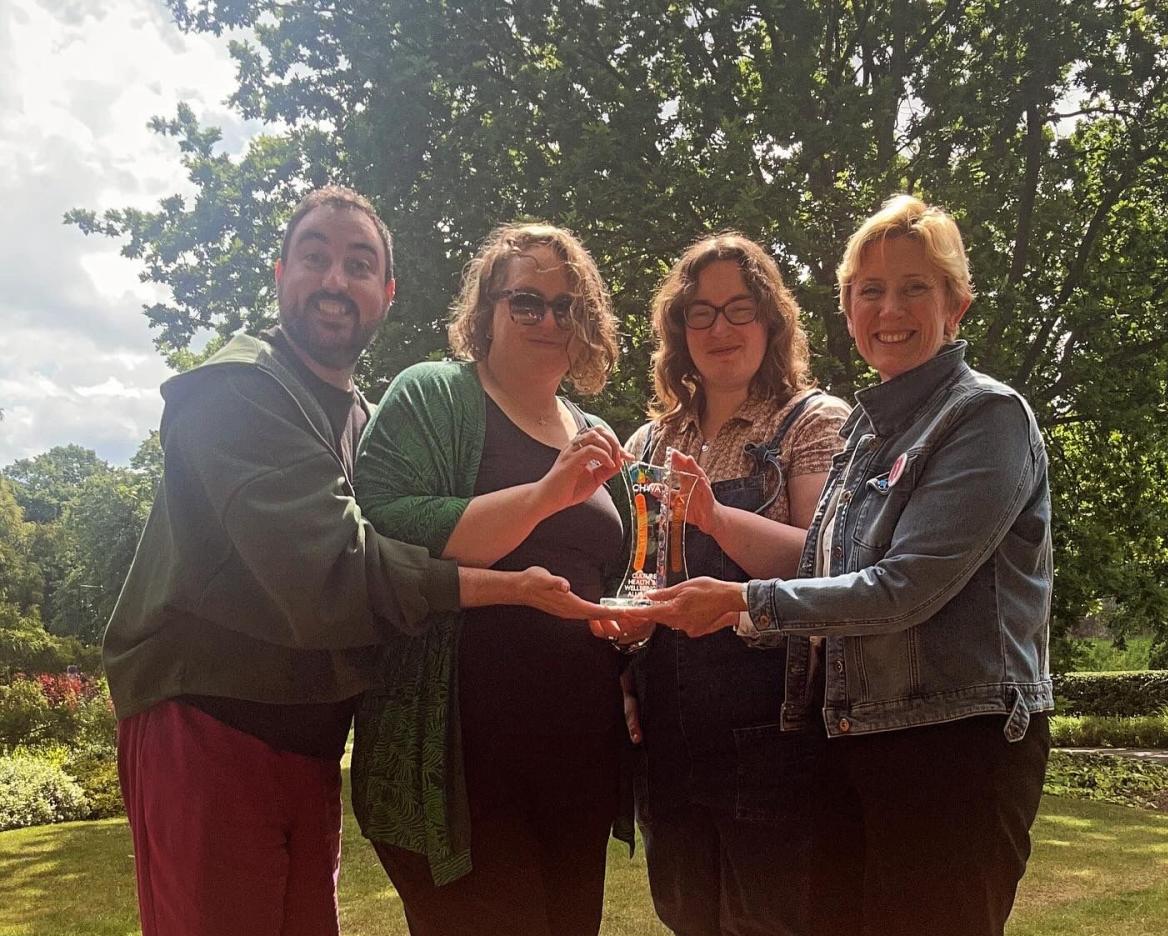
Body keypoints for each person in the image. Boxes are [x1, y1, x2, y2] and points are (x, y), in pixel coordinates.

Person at [103, 187, 610, 936]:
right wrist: (509, 588)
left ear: (387, 292)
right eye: (315, 258)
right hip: (207, 720)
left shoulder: (361, 419)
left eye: (359, 265)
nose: (336, 281)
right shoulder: (240, 388)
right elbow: (329, 575)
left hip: (308, 738)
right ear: (280, 273)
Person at [625, 195, 1054, 936]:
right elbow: (826, 570)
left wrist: (740, 602)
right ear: (848, 309)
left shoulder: (985, 416)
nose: (890, 310)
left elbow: (903, 590)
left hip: (953, 747)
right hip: (850, 740)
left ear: (957, 304)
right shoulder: (867, 434)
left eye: (915, 287)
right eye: (870, 290)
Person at [350, 222, 634, 936]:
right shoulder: (434, 394)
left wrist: (627, 634)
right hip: (462, 765)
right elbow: (385, 527)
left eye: (567, 306)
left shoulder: (591, 427)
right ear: (487, 311)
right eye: (527, 301)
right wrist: (544, 495)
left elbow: (609, 574)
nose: (549, 321)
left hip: (577, 758)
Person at [618, 233, 850, 935]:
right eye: (701, 312)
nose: (720, 328)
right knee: (685, 918)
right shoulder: (648, 444)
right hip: (666, 740)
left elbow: (829, 567)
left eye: (739, 308)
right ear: (679, 331)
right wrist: (622, 665)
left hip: (778, 737)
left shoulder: (812, 421)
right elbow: (630, 577)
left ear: (770, 320)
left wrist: (715, 518)